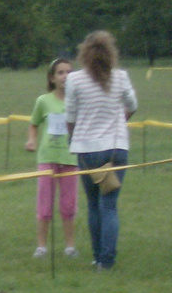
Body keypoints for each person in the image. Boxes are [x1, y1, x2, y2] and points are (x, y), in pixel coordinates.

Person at [65, 30, 137, 271]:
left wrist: (73, 138)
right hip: (116, 149)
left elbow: (71, 117)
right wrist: (119, 122)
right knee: (110, 205)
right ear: (110, 54)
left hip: (87, 150)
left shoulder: (74, 80)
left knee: (94, 205)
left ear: (84, 54)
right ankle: (107, 261)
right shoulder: (121, 77)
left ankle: (98, 257)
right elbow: (132, 106)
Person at [25, 58, 80, 259]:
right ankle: (41, 247)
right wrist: (31, 140)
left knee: (68, 206)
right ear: (52, 77)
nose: (65, 76)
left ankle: (70, 247)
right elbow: (34, 123)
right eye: (61, 72)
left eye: (69, 72)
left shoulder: (77, 101)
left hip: (71, 158)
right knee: (44, 205)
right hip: (47, 158)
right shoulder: (43, 101)